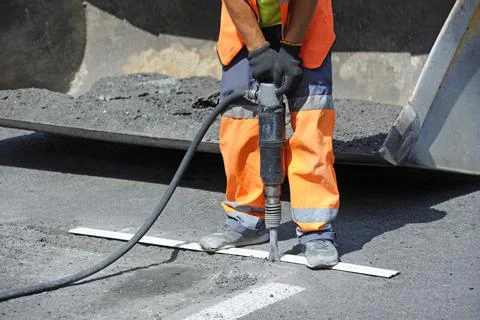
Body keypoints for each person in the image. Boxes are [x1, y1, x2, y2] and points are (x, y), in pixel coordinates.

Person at [199, 0, 340, 269]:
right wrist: (256, 47)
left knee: (310, 124)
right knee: (240, 121)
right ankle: (245, 219)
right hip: (244, 25)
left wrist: (291, 47)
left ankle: (317, 230)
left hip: (306, 24)